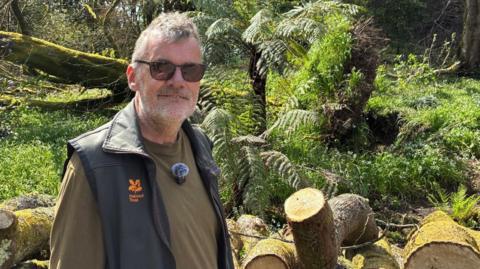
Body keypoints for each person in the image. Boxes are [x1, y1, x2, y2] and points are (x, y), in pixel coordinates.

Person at [49, 12, 234, 269]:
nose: (178, 81)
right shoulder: (94, 163)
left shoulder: (200, 145)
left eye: (190, 70)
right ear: (133, 77)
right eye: (161, 67)